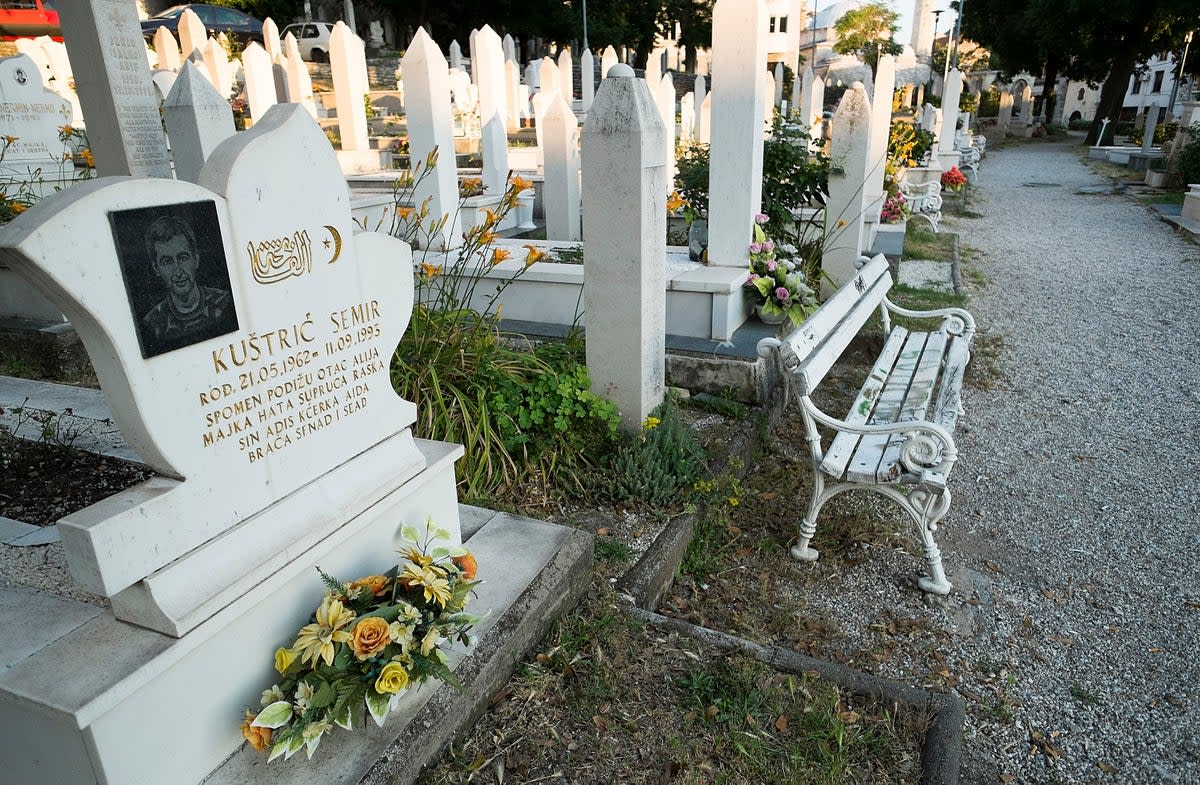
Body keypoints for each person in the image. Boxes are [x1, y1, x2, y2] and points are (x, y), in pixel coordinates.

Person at [141, 214, 235, 348]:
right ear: (156, 268)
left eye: (183, 257)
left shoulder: (226, 303)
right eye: (167, 262)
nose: (178, 271)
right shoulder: (152, 325)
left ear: (196, 259)